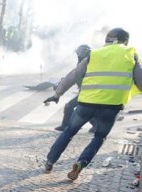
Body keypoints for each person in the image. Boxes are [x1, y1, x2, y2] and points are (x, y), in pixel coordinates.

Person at [44, 27, 142, 181]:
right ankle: (81, 163)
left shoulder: (94, 54)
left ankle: (50, 161)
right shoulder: (131, 54)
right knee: (99, 137)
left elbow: (72, 76)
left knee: (69, 132)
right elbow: (140, 81)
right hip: (111, 106)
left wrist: (57, 95)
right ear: (125, 41)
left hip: (86, 103)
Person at [54, 44, 97, 132]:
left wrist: (60, 87)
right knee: (85, 110)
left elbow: (73, 78)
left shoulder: (85, 63)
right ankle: (96, 126)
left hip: (88, 92)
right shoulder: (91, 62)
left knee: (70, 106)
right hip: (91, 92)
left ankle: (65, 125)